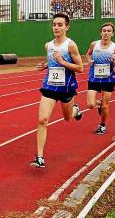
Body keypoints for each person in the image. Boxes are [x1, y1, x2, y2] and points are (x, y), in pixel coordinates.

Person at [30, 13, 83, 168]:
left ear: (67, 27)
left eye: (60, 25)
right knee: (42, 120)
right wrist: (46, 65)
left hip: (66, 87)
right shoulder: (48, 45)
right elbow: (52, 61)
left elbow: (80, 68)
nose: (56, 27)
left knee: (68, 118)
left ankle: (75, 110)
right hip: (50, 86)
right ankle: (40, 157)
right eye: (54, 24)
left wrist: (62, 61)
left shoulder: (71, 45)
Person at [86, 22, 115, 135]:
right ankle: (100, 104)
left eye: (109, 31)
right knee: (90, 104)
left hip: (108, 80)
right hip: (94, 78)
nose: (106, 33)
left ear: (112, 34)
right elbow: (87, 54)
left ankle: (102, 125)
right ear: (101, 32)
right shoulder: (94, 44)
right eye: (104, 31)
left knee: (105, 106)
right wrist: (89, 60)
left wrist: (114, 60)